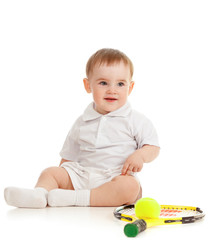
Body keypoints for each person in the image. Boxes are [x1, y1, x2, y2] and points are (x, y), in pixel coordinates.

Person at [4, 48, 160, 208]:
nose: (112, 89)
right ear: (88, 85)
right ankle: (39, 195)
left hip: (115, 176)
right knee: (50, 172)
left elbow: (153, 146)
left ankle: (75, 198)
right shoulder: (82, 121)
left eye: (120, 84)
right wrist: (63, 178)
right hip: (81, 175)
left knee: (130, 187)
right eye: (103, 83)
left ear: (130, 87)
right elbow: (68, 156)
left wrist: (140, 156)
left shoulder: (135, 120)